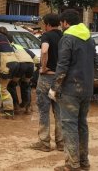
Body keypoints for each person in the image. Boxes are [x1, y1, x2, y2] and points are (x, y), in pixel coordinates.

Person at [49, 9, 96, 171]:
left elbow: (62, 65)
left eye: (62, 23)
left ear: (65, 23)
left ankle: (72, 164)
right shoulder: (90, 38)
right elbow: (95, 61)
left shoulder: (67, 38)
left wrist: (55, 87)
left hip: (70, 90)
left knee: (69, 126)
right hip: (87, 89)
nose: (61, 26)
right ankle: (84, 162)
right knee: (82, 125)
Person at [30, 13, 64, 152]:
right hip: (60, 79)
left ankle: (44, 143)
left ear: (48, 24)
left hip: (47, 78)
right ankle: (61, 143)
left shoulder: (47, 35)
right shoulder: (64, 37)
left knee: (44, 111)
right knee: (59, 112)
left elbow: (44, 51)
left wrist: (43, 68)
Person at [6, 34, 39, 114]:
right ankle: (28, 108)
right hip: (30, 65)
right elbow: (36, 60)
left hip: (21, 65)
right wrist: (34, 69)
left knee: (11, 85)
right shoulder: (20, 46)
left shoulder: (7, 47)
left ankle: (16, 106)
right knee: (26, 84)